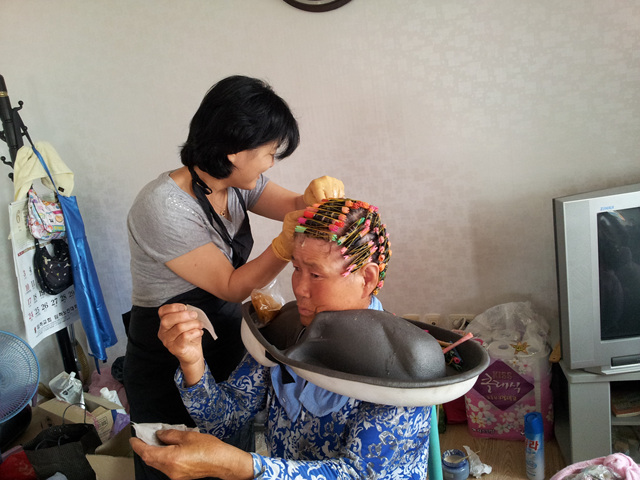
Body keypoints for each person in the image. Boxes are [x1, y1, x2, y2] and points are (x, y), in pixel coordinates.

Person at [123, 75, 344, 480]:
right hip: (171, 343)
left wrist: (312, 197)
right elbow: (232, 286)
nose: (271, 163)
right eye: (270, 153)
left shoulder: (238, 182)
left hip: (226, 333)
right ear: (234, 151)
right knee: (176, 462)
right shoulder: (163, 207)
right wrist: (284, 245)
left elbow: (294, 205)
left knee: (227, 452)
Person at [131, 198, 432, 480]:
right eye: (297, 268)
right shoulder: (285, 332)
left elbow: (356, 474)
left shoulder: (400, 366)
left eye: (316, 275)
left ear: (367, 278)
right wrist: (192, 360)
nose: (299, 288)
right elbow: (226, 420)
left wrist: (238, 466)